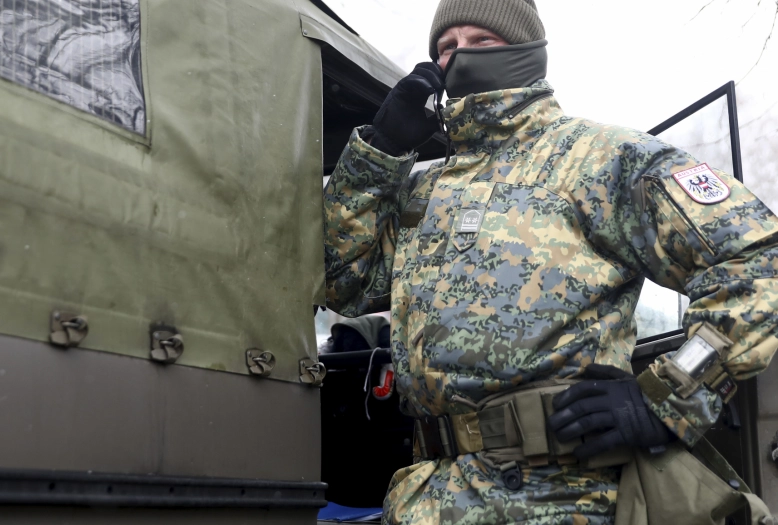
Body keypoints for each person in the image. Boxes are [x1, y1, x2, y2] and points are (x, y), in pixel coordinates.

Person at [322, 0, 778, 523]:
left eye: (482, 40)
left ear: (526, 49)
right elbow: (343, 283)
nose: (460, 56)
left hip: (562, 496)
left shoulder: (599, 156)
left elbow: (758, 261)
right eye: (446, 47)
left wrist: (669, 395)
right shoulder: (424, 190)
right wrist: (378, 153)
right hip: (426, 497)